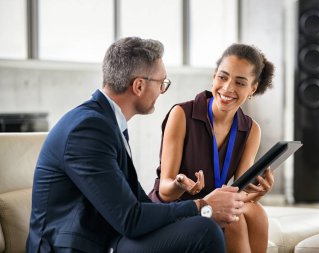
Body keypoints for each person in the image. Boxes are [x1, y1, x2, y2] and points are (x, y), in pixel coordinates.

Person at [26, 37, 247, 253]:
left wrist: (201, 206)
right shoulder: (88, 129)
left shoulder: (106, 121)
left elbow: (139, 204)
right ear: (139, 86)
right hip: (79, 245)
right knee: (203, 231)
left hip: (110, 235)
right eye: (162, 83)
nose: (162, 91)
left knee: (203, 226)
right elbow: (130, 218)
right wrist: (202, 206)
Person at [149, 43, 275, 253]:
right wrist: (180, 183)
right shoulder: (182, 114)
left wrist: (258, 192)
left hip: (215, 208)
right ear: (214, 76)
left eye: (240, 82)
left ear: (253, 88)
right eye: (223, 77)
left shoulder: (251, 129)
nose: (227, 88)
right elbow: (165, 191)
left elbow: (239, 193)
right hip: (181, 210)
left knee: (257, 213)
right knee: (233, 219)